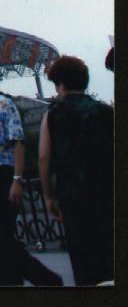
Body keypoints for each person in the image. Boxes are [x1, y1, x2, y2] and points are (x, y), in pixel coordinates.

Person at [0, 58, 61, 286]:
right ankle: (14, 281)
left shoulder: (4, 104)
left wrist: (17, 180)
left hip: (3, 176)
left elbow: (18, 141)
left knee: (0, 236)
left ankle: (46, 280)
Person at [38, 54, 113, 285]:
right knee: (108, 255)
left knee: (82, 259)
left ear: (60, 83)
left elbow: (43, 157)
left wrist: (48, 196)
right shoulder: (105, 112)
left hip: (71, 196)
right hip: (105, 192)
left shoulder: (52, 114)